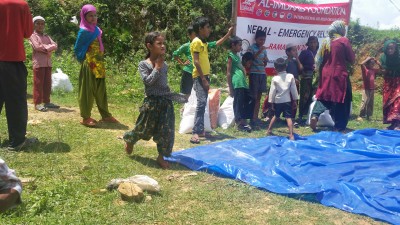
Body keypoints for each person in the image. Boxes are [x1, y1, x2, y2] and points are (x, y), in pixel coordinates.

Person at [123, 32, 186, 169]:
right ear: (149, 46)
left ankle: (161, 156)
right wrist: (157, 68)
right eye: (159, 43)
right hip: (151, 103)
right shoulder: (144, 64)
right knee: (144, 129)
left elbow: (163, 85)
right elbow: (148, 82)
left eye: (163, 43)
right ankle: (130, 139)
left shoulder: (166, 65)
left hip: (165, 102)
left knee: (167, 131)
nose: (163, 46)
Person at [0, 0, 38, 150]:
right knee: (16, 103)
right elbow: (27, 33)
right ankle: (17, 141)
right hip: (12, 59)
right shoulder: (21, 5)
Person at [189, 17, 232, 144]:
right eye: (207, 27)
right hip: (199, 77)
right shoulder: (196, 42)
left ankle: (200, 130)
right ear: (200, 29)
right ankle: (195, 132)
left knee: (203, 103)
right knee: (201, 102)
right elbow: (196, 62)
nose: (209, 29)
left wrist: (228, 34)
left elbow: (217, 43)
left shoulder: (204, 43)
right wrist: (203, 79)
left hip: (205, 76)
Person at [74, 4, 118, 127]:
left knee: (101, 90)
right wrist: (85, 59)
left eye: (95, 15)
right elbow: (77, 48)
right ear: (84, 16)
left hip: (99, 63)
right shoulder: (84, 31)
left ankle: (106, 115)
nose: (93, 18)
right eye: (90, 16)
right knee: (87, 90)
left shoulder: (96, 30)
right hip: (89, 63)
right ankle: (86, 117)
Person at [310, 20, 355, 132]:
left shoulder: (326, 41)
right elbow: (351, 59)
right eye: (343, 28)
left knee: (324, 96)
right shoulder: (343, 41)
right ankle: (339, 127)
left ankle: (315, 115)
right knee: (343, 99)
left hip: (325, 74)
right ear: (339, 29)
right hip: (339, 74)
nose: (344, 30)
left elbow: (319, 60)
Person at [29, 16, 59, 112]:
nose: (40, 25)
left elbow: (55, 45)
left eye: (42, 23)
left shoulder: (46, 36)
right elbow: (37, 47)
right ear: (34, 25)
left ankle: (47, 101)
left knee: (47, 83)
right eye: (38, 23)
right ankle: (37, 103)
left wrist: (46, 48)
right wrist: (49, 48)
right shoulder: (33, 35)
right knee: (38, 83)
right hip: (39, 63)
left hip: (47, 63)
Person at [266, 58, 299, 140]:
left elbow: (272, 92)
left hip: (278, 101)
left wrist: (271, 103)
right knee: (288, 117)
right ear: (286, 66)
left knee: (276, 116)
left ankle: (269, 130)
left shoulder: (275, 78)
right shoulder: (290, 76)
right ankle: (291, 135)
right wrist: (295, 100)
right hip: (287, 100)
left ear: (275, 68)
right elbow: (294, 90)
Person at [226, 36, 254, 132]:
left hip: (243, 83)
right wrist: (230, 87)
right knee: (238, 104)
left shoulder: (237, 55)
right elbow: (228, 72)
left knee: (250, 99)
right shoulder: (230, 55)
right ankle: (239, 124)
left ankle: (244, 119)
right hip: (237, 83)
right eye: (239, 45)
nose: (241, 47)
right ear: (233, 45)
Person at [248, 29, 269, 128]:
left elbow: (264, 63)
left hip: (262, 74)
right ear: (256, 39)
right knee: (253, 97)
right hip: (254, 74)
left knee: (259, 97)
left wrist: (265, 61)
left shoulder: (264, 50)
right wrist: (259, 51)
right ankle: (251, 118)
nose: (262, 42)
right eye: (260, 39)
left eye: (264, 40)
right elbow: (249, 61)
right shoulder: (251, 48)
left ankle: (256, 118)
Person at [379, 40, 400, 130]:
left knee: (397, 101)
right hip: (388, 82)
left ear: (396, 49)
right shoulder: (383, 58)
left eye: (392, 48)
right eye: (388, 48)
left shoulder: (398, 57)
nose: (390, 50)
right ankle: (392, 124)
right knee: (388, 102)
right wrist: (383, 70)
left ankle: (398, 124)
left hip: (398, 81)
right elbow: (382, 70)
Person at [298, 36, 319, 123]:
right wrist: (301, 73)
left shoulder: (319, 53)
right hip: (306, 77)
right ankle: (300, 115)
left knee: (313, 96)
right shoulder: (305, 52)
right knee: (304, 96)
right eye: (311, 42)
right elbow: (299, 64)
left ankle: (310, 115)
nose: (313, 44)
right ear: (308, 43)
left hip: (317, 78)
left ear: (317, 43)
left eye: (315, 42)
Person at [172, 25, 196, 99]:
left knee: (196, 93)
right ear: (189, 35)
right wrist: (182, 63)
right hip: (188, 72)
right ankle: (184, 108)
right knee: (186, 93)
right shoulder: (186, 45)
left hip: (198, 72)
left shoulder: (201, 45)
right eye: (194, 34)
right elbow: (175, 54)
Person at [357, 57, 381, 121]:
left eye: (373, 64)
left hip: (372, 88)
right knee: (365, 101)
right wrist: (368, 59)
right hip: (366, 88)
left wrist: (376, 61)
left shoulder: (373, 70)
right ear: (367, 64)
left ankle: (369, 116)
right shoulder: (365, 69)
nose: (373, 65)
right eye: (371, 63)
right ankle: (361, 115)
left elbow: (381, 68)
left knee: (370, 102)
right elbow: (361, 64)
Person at [285, 43, 303, 126]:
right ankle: (287, 117)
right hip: (288, 84)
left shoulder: (296, 61)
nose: (295, 52)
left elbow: (301, 69)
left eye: (296, 50)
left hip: (296, 84)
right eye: (293, 50)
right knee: (288, 100)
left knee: (295, 100)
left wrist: (297, 58)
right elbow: (284, 73)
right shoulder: (286, 62)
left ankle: (293, 117)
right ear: (288, 52)